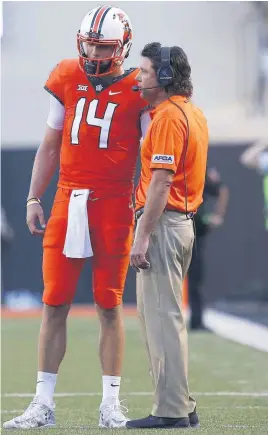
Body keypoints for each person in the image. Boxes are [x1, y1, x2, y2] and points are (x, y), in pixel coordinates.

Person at [3, 5, 151, 430]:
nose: (93, 54)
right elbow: (49, 145)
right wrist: (34, 197)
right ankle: (42, 403)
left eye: (102, 47)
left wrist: (143, 213)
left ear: (122, 47)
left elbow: (148, 156)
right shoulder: (67, 75)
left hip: (114, 203)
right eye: (88, 45)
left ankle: (110, 404)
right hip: (70, 199)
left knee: (109, 304)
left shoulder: (140, 89)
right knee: (53, 302)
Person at [127, 43, 209, 429]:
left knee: (161, 322)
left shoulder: (166, 118)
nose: (138, 77)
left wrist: (142, 236)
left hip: (164, 224)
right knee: (167, 319)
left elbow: (161, 183)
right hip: (180, 223)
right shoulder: (192, 113)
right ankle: (181, 403)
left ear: (162, 77)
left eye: (144, 71)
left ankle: (172, 410)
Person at [188, 167, 229, 330]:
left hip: (194, 233)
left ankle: (196, 321)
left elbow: (222, 190)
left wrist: (217, 216)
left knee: (195, 280)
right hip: (172, 230)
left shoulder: (199, 171)